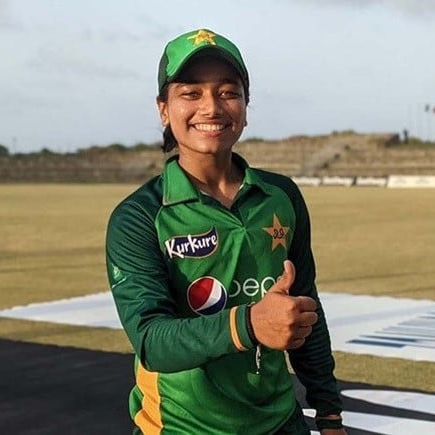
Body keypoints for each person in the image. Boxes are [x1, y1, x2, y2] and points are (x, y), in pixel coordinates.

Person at [105, 28, 345, 434]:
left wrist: (329, 411)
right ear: (163, 109)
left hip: (280, 420)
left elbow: (306, 309)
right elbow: (151, 341)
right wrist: (251, 323)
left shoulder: (280, 195)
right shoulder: (139, 217)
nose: (212, 107)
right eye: (191, 93)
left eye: (228, 92)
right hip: (182, 427)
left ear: (246, 106)